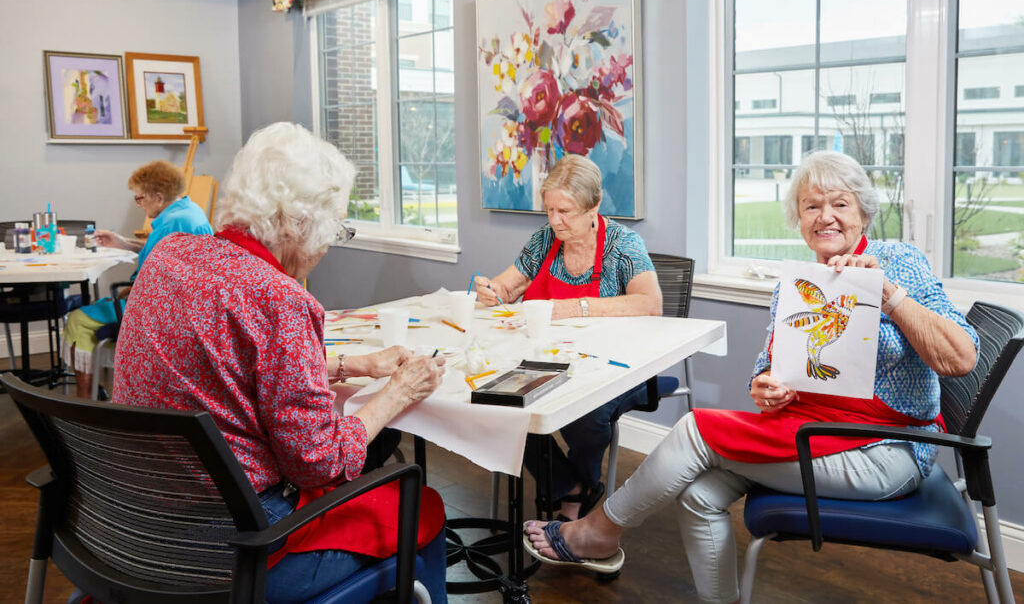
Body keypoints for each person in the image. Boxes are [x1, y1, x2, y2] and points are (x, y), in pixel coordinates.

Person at [524, 151, 980, 603]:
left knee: (695, 430)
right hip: (807, 430)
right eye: (811, 206)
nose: (826, 217)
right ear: (798, 218)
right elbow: (767, 365)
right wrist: (765, 386)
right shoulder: (796, 283)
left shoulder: (897, 261)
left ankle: (598, 532)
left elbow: (961, 358)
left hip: (885, 447)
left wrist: (888, 294)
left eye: (839, 204)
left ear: (863, 211)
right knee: (698, 494)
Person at [112, 122, 449, 604]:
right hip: (238, 548)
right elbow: (319, 463)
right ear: (295, 222)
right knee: (425, 507)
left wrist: (351, 364)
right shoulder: (278, 298)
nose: (331, 243)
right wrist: (398, 393)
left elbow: (226, 369)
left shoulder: (170, 256)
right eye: (334, 224)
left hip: (130, 526)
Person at [475, 154, 662, 521]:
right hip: (551, 360)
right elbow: (508, 286)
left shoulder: (623, 245)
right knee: (498, 403)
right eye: (549, 210)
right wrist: (492, 290)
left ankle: (578, 485)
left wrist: (578, 307)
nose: (555, 221)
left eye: (566, 211)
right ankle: (570, 486)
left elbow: (650, 303)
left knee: (585, 414)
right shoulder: (545, 240)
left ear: (594, 205)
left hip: (618, 365)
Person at [62, 160, 212, 398]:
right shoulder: (187, 212)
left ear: (159, 197)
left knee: (78, 319)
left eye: (140, 198)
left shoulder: (171, 223)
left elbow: (153, 277)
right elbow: (161, 254)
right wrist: (124, 242)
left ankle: (84, 399)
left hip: (160, 310)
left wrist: (132, 288)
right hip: (186, 306)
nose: (139, 204)